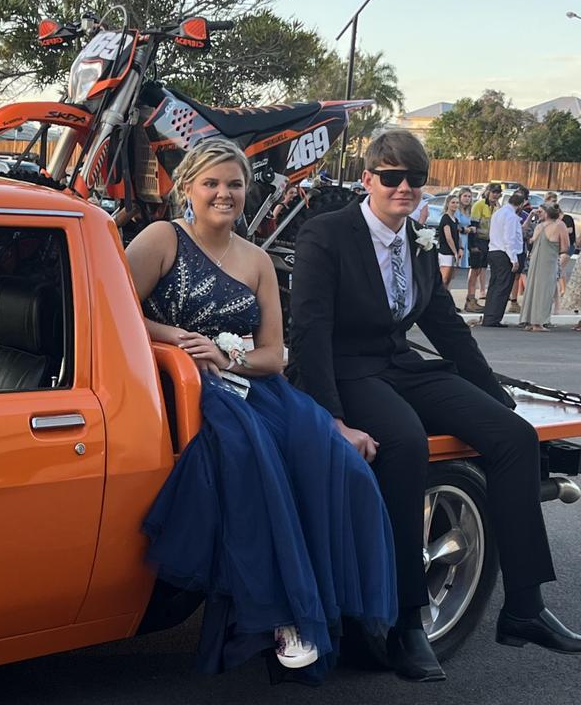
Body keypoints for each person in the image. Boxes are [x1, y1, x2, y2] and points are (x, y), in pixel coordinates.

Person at [289, 130, 581, 684]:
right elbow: (309, 332)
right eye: (393, 176)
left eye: (415, 179)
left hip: (400, 364)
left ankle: (524, 606)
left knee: (513, 436)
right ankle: (405, 622)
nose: (404, 188)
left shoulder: (417, 240)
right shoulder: (326, 235)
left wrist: (496, 400)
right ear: (369, 178)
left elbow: (444, 326)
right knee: (404, 444)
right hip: (348, 370)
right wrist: (329, 415)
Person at [127, 138, 397, 682]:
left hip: (251, 384)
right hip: (179, 387)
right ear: (188, 188)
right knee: (254, 457)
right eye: (212, 183)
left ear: (248, 192)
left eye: (235, 184)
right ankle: (283, 614)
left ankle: (335, 604)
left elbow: (275, 355)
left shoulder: (258, 260)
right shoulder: (161, 238)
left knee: (340, 467)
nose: (224, 193)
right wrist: (177, 337)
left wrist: (229, 352)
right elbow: (116, 310)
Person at [519, 203, 570, 332]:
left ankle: (529, 321)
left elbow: (531, 241)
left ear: (547, 213)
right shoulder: (559, 225)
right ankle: (538, 323)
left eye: (541, 212)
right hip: (549, 261)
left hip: (535, 260)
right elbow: (565, 246)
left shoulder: (539, 226)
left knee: (532, 289)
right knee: (545, 291)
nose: (538, 214)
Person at [482, 192, 526, 328]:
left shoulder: (498, 213)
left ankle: (488, 316)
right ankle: (494, 318)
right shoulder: (511, 217)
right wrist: (514, 259)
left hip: (493, 250)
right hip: (504, 253)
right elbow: (509, 238)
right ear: (520, 204)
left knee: (494, 286)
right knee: (503, 287)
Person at [466, 184, 500, 312]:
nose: (495, 195)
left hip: (488, 242)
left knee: (481, 270)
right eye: (493, 192)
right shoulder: (479, 205)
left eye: (497, 193)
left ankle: (472, 299)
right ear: (487, 192)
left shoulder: (496, 207)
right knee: (474, 270)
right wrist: (472, 245)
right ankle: (470, 299)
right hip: (478, 240)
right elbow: (473, 226)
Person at [437, 195, 463, 289]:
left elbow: (457, 235)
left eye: (457, 203)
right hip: (446, 252)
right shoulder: (445, 218)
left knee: (450, 279)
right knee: (444, 279)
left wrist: (460, 248)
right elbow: (448, 237)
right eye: (453, 202)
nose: (455, 205)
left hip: (453, 252)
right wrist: (455, 252)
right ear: (447, 204)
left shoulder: (455, 219)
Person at [456, 187, 473, 269]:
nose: (467, 198)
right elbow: (455, 226)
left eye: (469, 197)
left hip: (465, 239)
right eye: (465, 196)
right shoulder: (457, 210)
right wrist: (466, 229)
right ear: (460, 197)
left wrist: (471, 228)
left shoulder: (468, 210)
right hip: (458, 238)